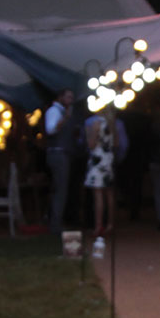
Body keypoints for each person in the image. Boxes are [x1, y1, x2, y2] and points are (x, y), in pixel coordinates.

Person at [44, 88, 76, 233]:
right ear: (60, 97)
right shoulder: (54, 112)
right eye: (68, 97)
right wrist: (65, 120)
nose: (71, 100)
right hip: (57, 153)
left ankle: (55, 222)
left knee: (60, 189)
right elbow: (50, 129)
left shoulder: (62, 112)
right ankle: (55, 225)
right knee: (60, 189)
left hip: (62, 152)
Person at [82, 109, 118, 237]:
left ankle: (98, 226)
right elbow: (117, 143)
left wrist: (89, 133)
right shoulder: (112, 123)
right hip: (108, 159)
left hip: (98, 159)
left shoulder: (96, 123)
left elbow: (91, 144)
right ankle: (110, 224)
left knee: (98, 194)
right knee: (109, 194)